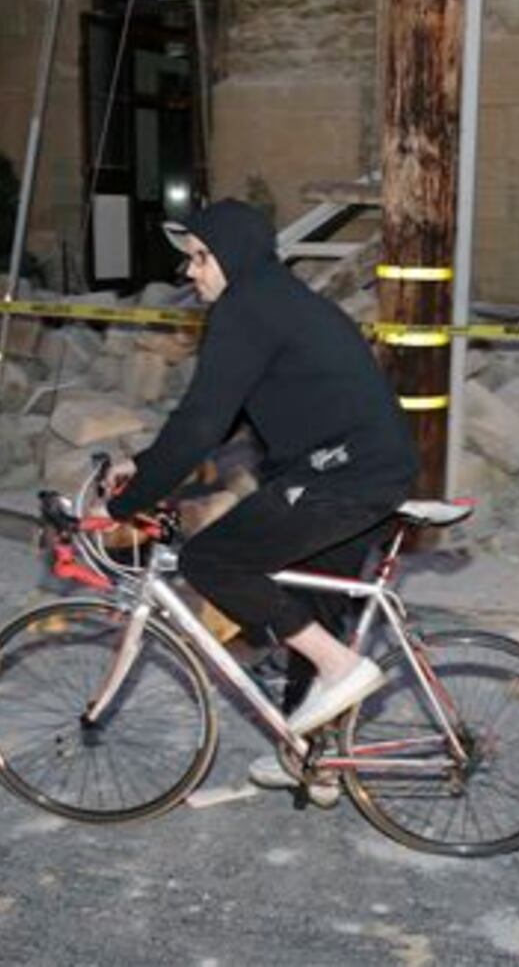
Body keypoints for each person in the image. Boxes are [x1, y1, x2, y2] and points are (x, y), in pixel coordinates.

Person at [99, 198, 418, 800]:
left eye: (200, 257)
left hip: (342, 476)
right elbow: (219, 418)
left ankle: (343, 669)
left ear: (233, 254)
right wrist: (143, 464)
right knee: (309, 607)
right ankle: (314, 760)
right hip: (372, 468)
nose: (190, 270)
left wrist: (122, 506)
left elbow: (200, 422)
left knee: (210, 559)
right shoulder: (276, 299)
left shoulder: (246, 308)